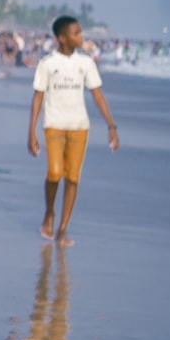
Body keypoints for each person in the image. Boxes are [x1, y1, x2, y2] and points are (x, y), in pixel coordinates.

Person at [28, 15, 119, 246]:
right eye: (76, 33)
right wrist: (32, 131)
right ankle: (49, 212)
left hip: (79, 127)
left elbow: (97, 93)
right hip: (54, 125)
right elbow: (38, 96)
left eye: (80, 32)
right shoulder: (48, 63)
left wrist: (111, 125)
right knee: (55, 172)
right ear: (62, 38)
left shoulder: (85, 63)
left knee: (73, 178)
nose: (81, 37)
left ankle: (63, 229)